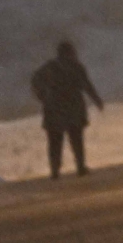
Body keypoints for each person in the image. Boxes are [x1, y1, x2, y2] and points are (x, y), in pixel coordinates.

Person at [30, 39, 103, 178]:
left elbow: (35, 80)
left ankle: (55, 171)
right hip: (73, 109)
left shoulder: (49, 67)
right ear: (71, 53)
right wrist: (97, 100)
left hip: (54, 110)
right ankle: (80, 167)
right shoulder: (76, 67)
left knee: (55, 142)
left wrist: (42, 96)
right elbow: (87, 86)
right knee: (76, 140)